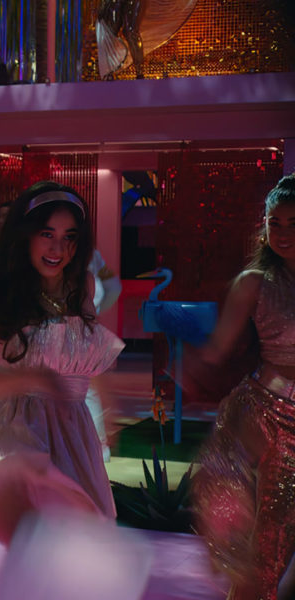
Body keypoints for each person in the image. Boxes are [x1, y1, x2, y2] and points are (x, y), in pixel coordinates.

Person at [0, 182, 122, 541]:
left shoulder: (83, 286)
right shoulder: (1, 293)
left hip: (73, 431)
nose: (58, 248)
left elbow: (85, 352)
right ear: (25, 234)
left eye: (69, 237)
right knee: (31, 546)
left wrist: (106, 409)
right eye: (47, 234)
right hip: (12, 434)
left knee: (82, 544)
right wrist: (32, 377)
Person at [192, 174, 295, 600]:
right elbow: (217, 351)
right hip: (267, 415)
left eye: (294, 223)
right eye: (275, 223)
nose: (283, 233)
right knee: (268, 545)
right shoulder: (254, 282)